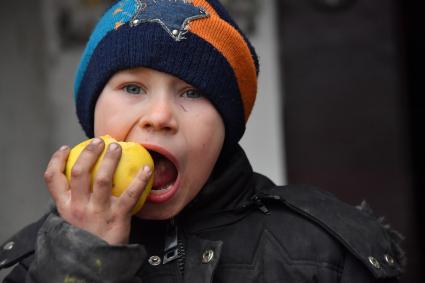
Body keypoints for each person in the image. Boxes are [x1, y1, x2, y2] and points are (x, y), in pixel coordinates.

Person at [0, 0, 404, 282]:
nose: (159, 117)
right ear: (92, 113)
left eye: (192, 92)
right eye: (132, 88)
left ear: (227, 126)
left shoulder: (320, 252)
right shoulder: (34, 262)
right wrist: (82, 259)